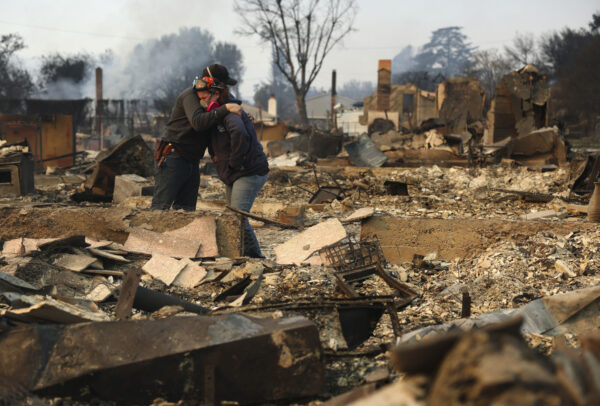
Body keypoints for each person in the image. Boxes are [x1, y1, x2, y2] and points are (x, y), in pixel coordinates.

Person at [195, 64, 269, 258]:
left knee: (238, 217)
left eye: (204, 96)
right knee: (232, 218)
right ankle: (241, 256)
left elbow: (238, 133)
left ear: (216, 92)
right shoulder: (221, 111)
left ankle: (256, 257)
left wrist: (234, 163)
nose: (201, 101)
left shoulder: (229, 112)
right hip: (236, 172)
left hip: (248, 171)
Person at [151, 71, 243, 211]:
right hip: (174, 156)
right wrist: (225, 108)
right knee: (160, 208)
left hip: (192, 160)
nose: (204, 100)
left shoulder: (215, 100)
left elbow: (214, 129)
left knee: (186, 209)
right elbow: (198, 122)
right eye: (203, 97)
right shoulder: (190, 96)